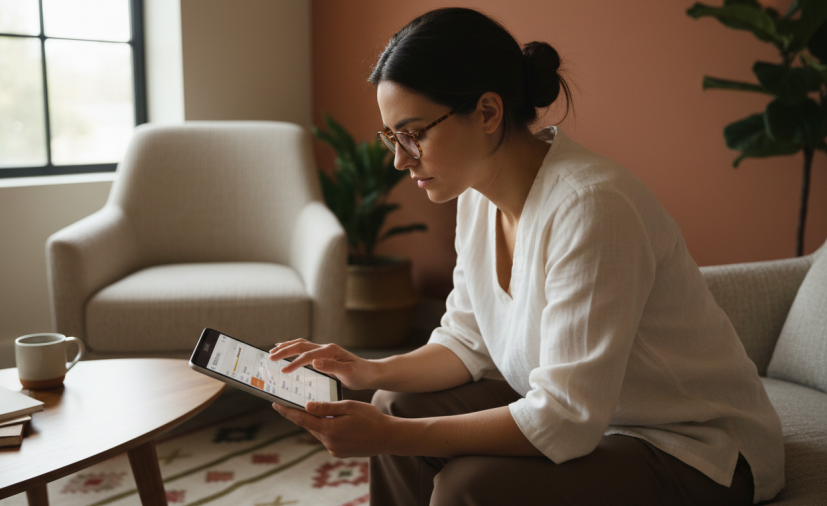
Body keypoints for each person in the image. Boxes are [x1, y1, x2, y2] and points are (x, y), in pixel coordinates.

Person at [270, 7, 784, 506]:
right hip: (595, 416)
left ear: (488, 112)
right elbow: (467, 341)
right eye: (392, 137)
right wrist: (370, 371)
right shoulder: (474, 195)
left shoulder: (592, 207)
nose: (401, 158)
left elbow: (566, 417)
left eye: (414, 133)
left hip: (692, 446)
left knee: (466, 485)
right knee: (396, 404)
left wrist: (392, 436)